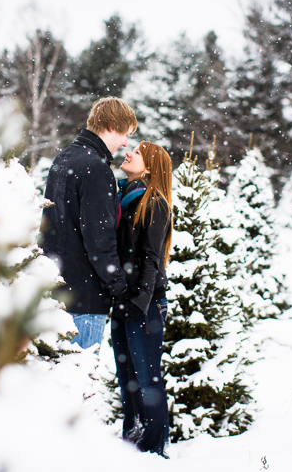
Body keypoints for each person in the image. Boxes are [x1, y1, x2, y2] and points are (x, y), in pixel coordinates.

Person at [39, 97, 137, 350]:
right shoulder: (96, 169)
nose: (126, 143)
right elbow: (100, 240)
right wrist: (119, 288)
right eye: (125, 134)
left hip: (56, 291)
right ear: (113, 126)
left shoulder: (64, 159)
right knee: (78, 384)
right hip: (84, 297)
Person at [111, 141, 173, 457]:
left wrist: (140, 301)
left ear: (148, 167)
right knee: (127, 378)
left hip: (145, 305)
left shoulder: (155, 203)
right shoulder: (124, 197)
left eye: (137, 152)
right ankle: (132, 437)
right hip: (125, 301)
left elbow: (151, 257)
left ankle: (154, 449)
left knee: (147, 379)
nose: (129, 153)